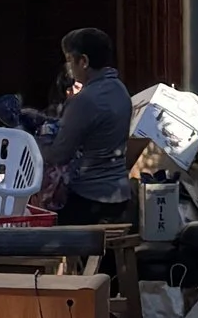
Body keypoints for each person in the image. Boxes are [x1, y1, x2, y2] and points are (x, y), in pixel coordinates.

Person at [42, 25, 135, 223]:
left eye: (69, 60)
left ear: (83, 61)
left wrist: (33, 144)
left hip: (89, 198)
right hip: (120, 195)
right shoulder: (121, 90)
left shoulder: (85, 100)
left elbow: (59, 154)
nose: (68, 68)